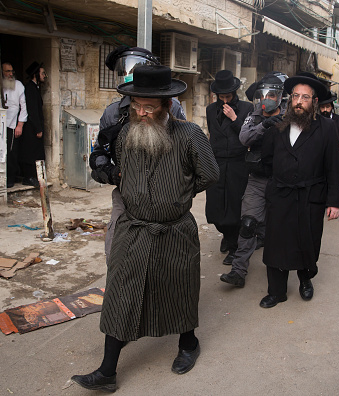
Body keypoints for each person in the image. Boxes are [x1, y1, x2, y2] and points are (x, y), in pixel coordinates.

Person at [71, 65, 219, 391]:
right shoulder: (126, 134)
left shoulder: (190, 135)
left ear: (166, 105)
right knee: (122, 291)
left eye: (148, 107)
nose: (141, 113)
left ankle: (188, 344)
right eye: (136, 105)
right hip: (132, 228)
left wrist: (180, 194)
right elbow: (123, 172)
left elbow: (210, 174)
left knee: (177, 289)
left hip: (174, 230)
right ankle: (107, 371)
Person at [89, 46, 186, 261]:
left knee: (163, 259)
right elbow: (97, 155)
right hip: (126, 196)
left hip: (165, 198)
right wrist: (113, 173)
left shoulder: (173, 107)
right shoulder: (113, 113)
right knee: (116, 252)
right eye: (124, 69)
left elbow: (187, 151)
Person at [259, 72, 339, 308]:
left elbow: (334, 167)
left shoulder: (326, 128)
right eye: (295, 96)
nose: (299, 101)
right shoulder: (277, 127)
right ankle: (276, 291)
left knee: (307, 242)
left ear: (314, 102)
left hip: (310, 197)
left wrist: (334, 202)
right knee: (276, 244)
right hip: (281, 195)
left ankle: (306, 280)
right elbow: (266, 160)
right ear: (289, 99)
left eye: (305, 97)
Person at [220, 74, 285, 288]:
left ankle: (281, 276)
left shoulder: (290, 116)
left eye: (272, 95)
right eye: (263, 95)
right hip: (257, 179)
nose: (267, 99)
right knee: (247, 224)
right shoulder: (253, 116)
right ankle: (238, 272)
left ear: (279, 96)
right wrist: (264, 125)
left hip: (282, 181)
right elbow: (244, 138)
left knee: (282, 230)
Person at [205, 70, 254, 265]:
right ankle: (226, 233)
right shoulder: (210, 110)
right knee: (215, 209)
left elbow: (248, 135)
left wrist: (234, 118)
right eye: (221, 96)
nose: (225, 100)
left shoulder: (246, 108)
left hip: (237, 163)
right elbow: (212, 134)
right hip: (217, 163)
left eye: (228, 96)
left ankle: (234, 246)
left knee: (234, 207)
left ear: (234, 93)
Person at [1, 62, 27, 188]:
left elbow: (23, 107)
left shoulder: (18, 85)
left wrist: (20, 124)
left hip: (12, 124)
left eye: (12, 71)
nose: (10, 74)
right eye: (7, 71)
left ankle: (11, 178)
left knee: (11, 152)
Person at [21, 61, 46, 187]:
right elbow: (32, 111)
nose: (44, 76)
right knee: (31, 152)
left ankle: (35, 176)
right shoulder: (30, 88)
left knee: (36, 152)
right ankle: (28, 176)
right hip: (31, 128)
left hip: (35, 127)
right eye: (42, 73)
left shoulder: (35, 88)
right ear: (36, 74)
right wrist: (38, 128)